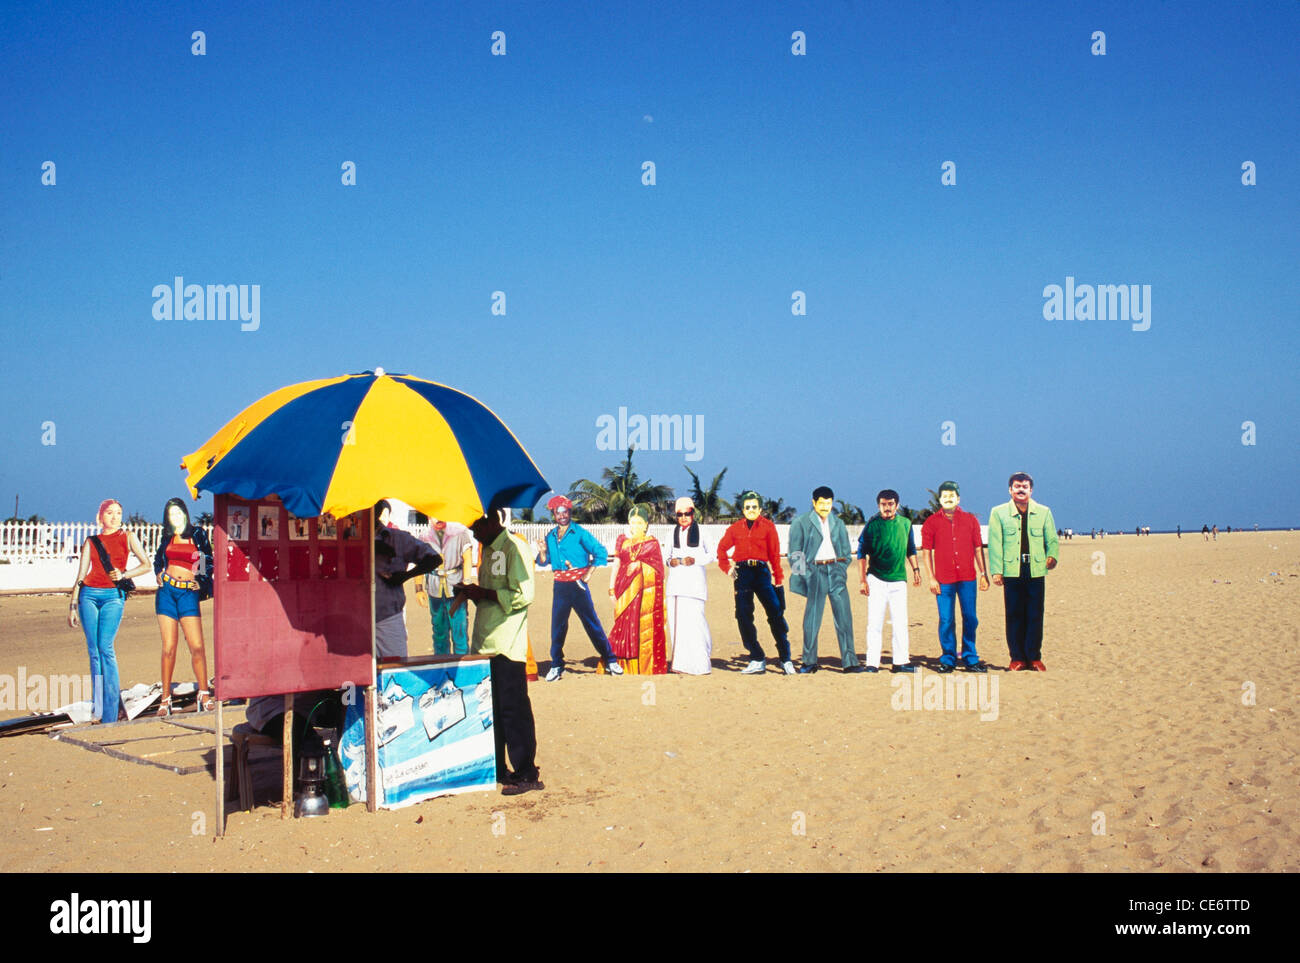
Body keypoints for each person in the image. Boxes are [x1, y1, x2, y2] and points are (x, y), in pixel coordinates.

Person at [460, 510, 543, 795]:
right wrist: (475, 592)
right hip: (486, 640)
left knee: (513, 709)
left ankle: (526, 773)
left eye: (477, 527)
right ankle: (497, 768)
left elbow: (525, 594)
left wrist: (487, 594)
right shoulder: (487, 550)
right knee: (491, 709)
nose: (474, 533)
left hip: (507, 643)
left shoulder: (513, 547)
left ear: (493, 520)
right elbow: (492, 590)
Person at [67, 499, 152, 723]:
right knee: (93, 651)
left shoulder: (128, 537)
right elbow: (81, 575)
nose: (114, 517)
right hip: (89, 595)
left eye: (118, 513)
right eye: (109, 513)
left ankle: (111, 711)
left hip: (113, 596)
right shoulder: (91, 541)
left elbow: (146, 564)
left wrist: (124, 574)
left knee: (106, 647)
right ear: (100, 516)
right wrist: (73, 604)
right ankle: (99, 706)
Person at [533, 495, 622, 680]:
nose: (562, 516)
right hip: (560, 585)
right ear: (554, 515)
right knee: (557, 627)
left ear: (570, 512)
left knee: (592, 624)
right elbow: (543, 563)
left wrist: (586, 576)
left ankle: (610, 659)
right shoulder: (550, 536)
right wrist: (542, 551)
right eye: (558, 513)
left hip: (578, 585)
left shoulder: (579, 532)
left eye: (565, 512)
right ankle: (557, 665)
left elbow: (601, 552)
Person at [717, 491, 794, 675]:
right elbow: (721, 549)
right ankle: (757, 657)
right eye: (747, 507)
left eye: (754, 507)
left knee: (775, 613)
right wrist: (728, 569)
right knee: (743, 615)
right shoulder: (734, 529)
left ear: (760, 508)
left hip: (762, 572)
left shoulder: (768, 527)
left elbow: (774, 555)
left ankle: (785, 659)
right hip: (742, 573)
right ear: (742, 509)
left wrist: (778, 578)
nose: (751, 510)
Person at [988, 472, 1059, 671]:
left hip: (1036, 570)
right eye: (1017, 486)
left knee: (1035, 614)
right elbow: (995, 543)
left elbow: (1052, 539)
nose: (1021, 489)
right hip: (1011, 571)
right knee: (1014, 614)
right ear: (1010, 490)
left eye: (1025, 486)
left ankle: (1034, 658)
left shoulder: (1044, 512)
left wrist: (1052, 557)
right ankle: (1017, 658)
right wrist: (996, 571)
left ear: (1031, 490)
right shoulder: (998, 512)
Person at [152, 498, 215, 715]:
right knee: (169, 648)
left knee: (197, 646)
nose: (175, 518)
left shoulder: (197, 534)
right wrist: (159, 572)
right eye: (171, 514)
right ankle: (165, 697)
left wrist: (203, 582)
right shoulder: (167, 536)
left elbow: (206, 559)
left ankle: (204, 692)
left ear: (185, 514)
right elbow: (158, 560)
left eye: (178, 513)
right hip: (167, 592)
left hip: (188, 591)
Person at [787, 486, 860, 673]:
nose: (825, 507)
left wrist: (841, 569)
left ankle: (850, 662)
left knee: (844, 618)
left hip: (836, 571)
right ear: (814, 503)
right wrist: (805, 575)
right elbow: (795, 554)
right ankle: (809, 661)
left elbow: (846, 552)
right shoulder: (801, 522)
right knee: (812, 619)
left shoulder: (838, 523)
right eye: (822, 503)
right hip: (815, 571)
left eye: (828, 503)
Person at [919, 481, 989, 673]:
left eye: (952, 496)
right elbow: (926, 552)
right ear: (939, 499)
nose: (948, 499)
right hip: (943, 580)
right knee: (946, 619)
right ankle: (948, 658)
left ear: (958, 498)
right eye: (944, 496)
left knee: (970, 618)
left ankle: (970, 657)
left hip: (968, 578)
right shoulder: (931, 522)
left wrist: (983, 573)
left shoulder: (970, 520)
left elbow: (977, 548)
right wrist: (931, 578)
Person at [858, 490, 921, 672]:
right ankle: (872, 663)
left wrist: (916, 570)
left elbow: (911, 549)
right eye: (884, 504)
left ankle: (901, 662)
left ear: (897, 505)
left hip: (899, 579)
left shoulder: (906, 524)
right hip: (876, 579)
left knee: (900, 622)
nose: (887, 508)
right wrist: (863, 580)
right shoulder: (872, 525)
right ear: (878, 505)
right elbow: (862, 553)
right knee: (875, 623)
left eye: (891, 504)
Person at [373, 500, 440, 660]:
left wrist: (406, 576)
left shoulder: (397, 539)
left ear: (379, 512)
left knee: (394, 673)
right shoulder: (346, 539)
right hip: (354, 620)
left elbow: (434, 558)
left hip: (388, 618)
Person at [606, 504, 668, 674]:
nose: (636, 527)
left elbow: (659, 570)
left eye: (640, 523)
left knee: (639, 627)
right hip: (623, 589)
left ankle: (643, 665)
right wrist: (612, 589)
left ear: (646, 525)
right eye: (633, 523)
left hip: (643, 595)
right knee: (622, 626)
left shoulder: (652, 544)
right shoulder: (623, 542)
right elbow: (616, 565)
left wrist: (640, 565)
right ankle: (619, 664)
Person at [665, 496, 713, 675]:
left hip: (695, 586)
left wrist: (695, 560)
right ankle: (680, 664)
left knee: (696, 624)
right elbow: (666, 557)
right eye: (680, 514)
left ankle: (701, 665)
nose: (684, 517)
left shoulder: (703, 532)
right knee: (677, 626)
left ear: (693, 513)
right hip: (676, 586)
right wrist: (673, 562)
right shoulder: (671, 533)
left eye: (687, 513)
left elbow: (711, 555)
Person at [414, 518, 475, 655]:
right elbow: (420, 563)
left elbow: (467, 558)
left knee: (459, 631)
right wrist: (418, 588)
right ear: (429, 517)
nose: (438, 518)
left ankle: (462, 668)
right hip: (435, 589)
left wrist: (466, 584)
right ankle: (442, 667)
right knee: (439, 633)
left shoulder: (460, 534)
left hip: (456, 590)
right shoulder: (424, 537)